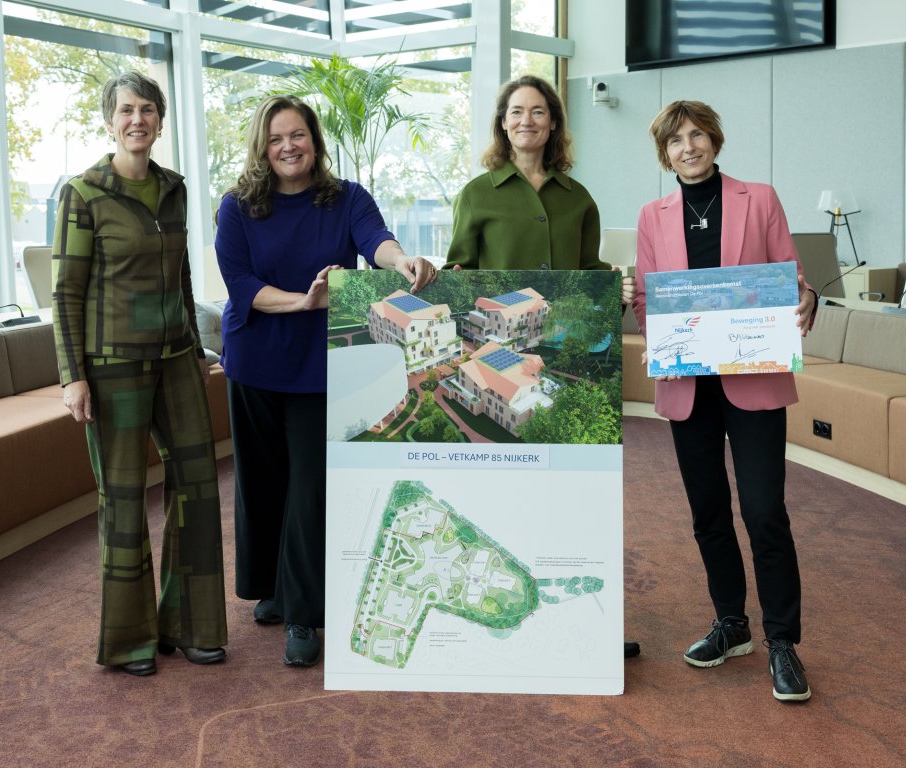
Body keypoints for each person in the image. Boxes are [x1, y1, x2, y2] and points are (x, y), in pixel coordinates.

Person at [215, 95, 436, 668]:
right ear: (262, 147)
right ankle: (272, 587)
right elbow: (241, 284)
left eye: (298, 135)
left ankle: (302, 613)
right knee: (263, 481)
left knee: (311, 487)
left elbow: (376, 238)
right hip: (256, 360)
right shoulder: (237, 207)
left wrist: (401, 262)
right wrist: (303, 301)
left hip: (322, 365)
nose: (288, 146)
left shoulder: (347, 197)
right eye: (275, 138)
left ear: (314, 141)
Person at [444, 74, 639, 659]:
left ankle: (585, 623)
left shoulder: (578, 198)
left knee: (569, 490)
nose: (526, 120)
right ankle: (506, 611)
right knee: (503, 490)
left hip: (566, 351)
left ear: (553, 123)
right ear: (502, 123)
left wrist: (616, 286)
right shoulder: (477, 194)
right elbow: (459, 272)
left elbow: (590, 272)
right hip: (499, 355)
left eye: (537, 112)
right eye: (516, 112)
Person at [632, 100, 816, 702]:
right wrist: (659, 338)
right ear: (665, 154)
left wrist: (808, 298)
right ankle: (731, 624)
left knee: (764, 511)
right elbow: (648, 300)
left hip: (753, 375)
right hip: (689, 384)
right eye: (675, 141)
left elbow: (791, 279)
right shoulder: (653, 215)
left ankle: (782, 641)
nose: (688, 147)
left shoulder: (758, 199)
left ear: (714, 139)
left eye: (696, 135)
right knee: (708, 511)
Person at [52, 71, 227, 677]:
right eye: (126, 110)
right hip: (111, 366)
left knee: (198, 486)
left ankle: (192, 627)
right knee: (123, 498)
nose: (138, 120)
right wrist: (72, 375)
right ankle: (130, 641)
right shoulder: (83, 193)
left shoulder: (175, 189)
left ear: (159, 120)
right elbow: (65, 292)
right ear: (110, 121)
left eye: (148, 109)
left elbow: (181, 275)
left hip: (177, 359)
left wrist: (197, 345)